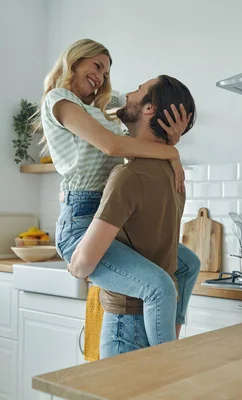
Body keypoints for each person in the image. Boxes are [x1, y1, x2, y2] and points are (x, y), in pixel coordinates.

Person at [34, 39, 200, 348]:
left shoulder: (99, 109)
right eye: (96, 65)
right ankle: (168, 358)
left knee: (188, 264)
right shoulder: (60, 100)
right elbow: (113, 146)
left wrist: (172, 137)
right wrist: (171, 153)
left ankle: (169, 342)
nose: (101, 76)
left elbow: (146, 110)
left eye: (106, 71)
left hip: (104, 215)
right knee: (160, 286)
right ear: (74, 60)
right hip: (80, 222)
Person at [68, 75, 196, 358]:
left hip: (125, 326)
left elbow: (86, 261)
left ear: (149, 108)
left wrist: (75, 265)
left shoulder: (128, 177)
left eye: (138, 90)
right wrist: (171, 144)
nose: (128, 94)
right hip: (157, 319)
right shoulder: (173, 175)